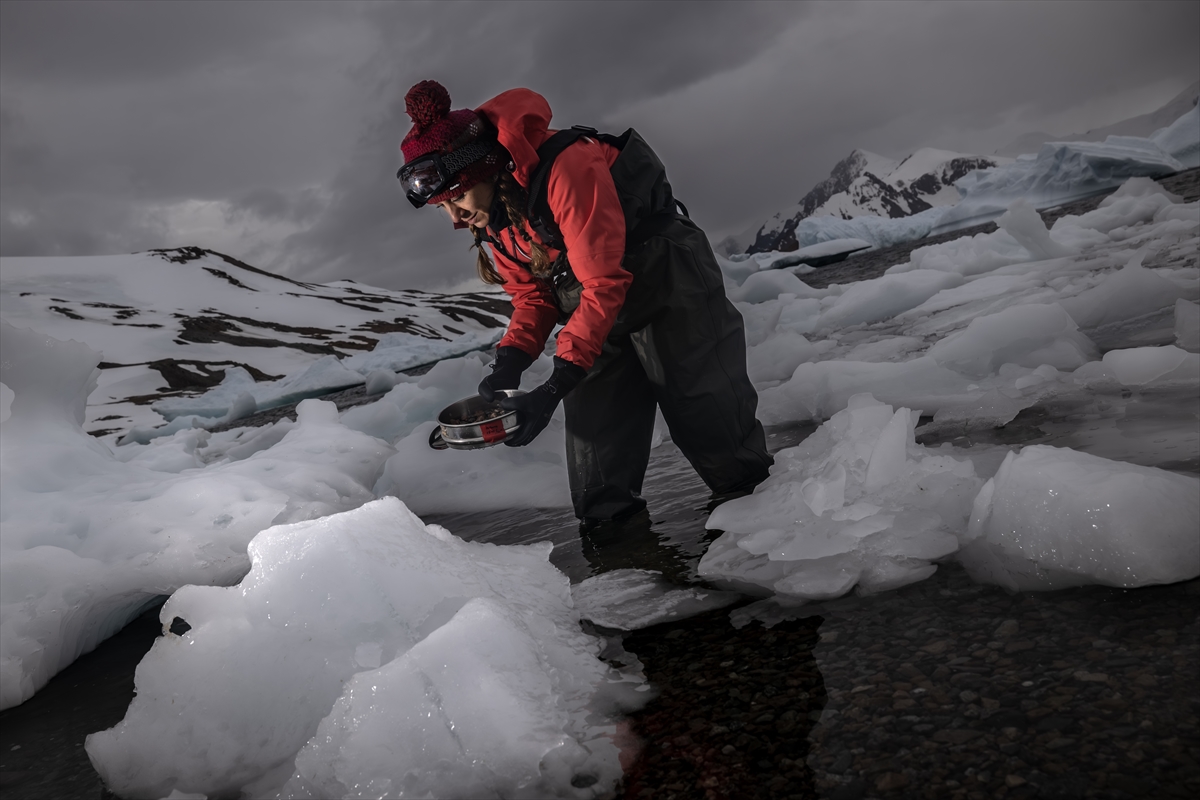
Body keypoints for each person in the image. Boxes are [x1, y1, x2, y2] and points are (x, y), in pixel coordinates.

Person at [398, 80, 772, 527]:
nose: (455, 218)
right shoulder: (496, 213)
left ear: (485, 170)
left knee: (719, 441)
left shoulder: (567, 166)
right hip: (594, 311)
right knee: (599, 488)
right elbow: (532, 295)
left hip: (668, 285)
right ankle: (626, 575)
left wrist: (555, 386)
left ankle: (768, 544)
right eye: (442, 207)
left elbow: (603, 280)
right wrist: (509, 365)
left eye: (457, 198)